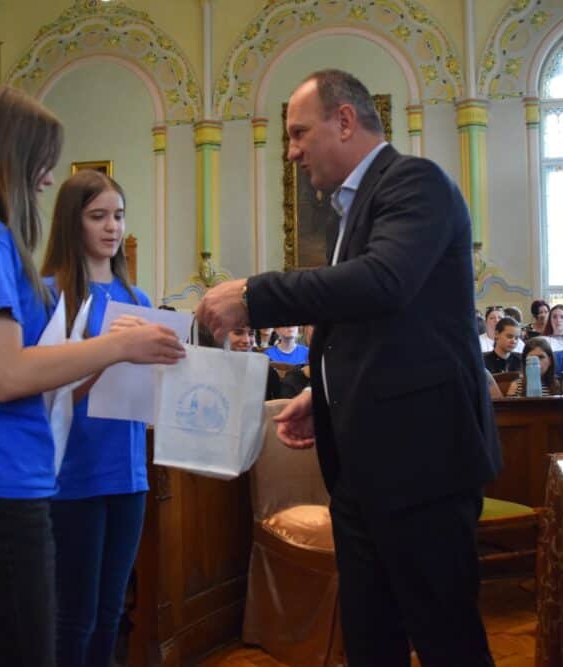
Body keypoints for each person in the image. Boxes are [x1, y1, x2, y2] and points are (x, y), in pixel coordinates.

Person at [195, 69, 500, 666]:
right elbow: (375, 330)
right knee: (369, 644)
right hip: (364, 471)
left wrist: (254, 295)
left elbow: (384, 283)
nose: (291, 152)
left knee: (447, 643)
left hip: (424, 465)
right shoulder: (352, 209)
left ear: (344, 121)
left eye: (298, 132)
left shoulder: (415, 182)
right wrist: (326, 393)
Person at [0, 86, 184, 667]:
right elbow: (7, 374)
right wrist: (117, 346)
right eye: (41, 160)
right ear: (4, 157)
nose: (48, 177)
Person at [40, 169, 165, 667]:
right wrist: (108, 353)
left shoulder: (138, 300)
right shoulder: (51, 294)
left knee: (112, 610)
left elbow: (151, 388)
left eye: (118, 215)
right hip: (73, 471)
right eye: (98, 216)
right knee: (75, 615)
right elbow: (46, 395)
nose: (112, 227)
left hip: (128, 470)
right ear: (73, 222)